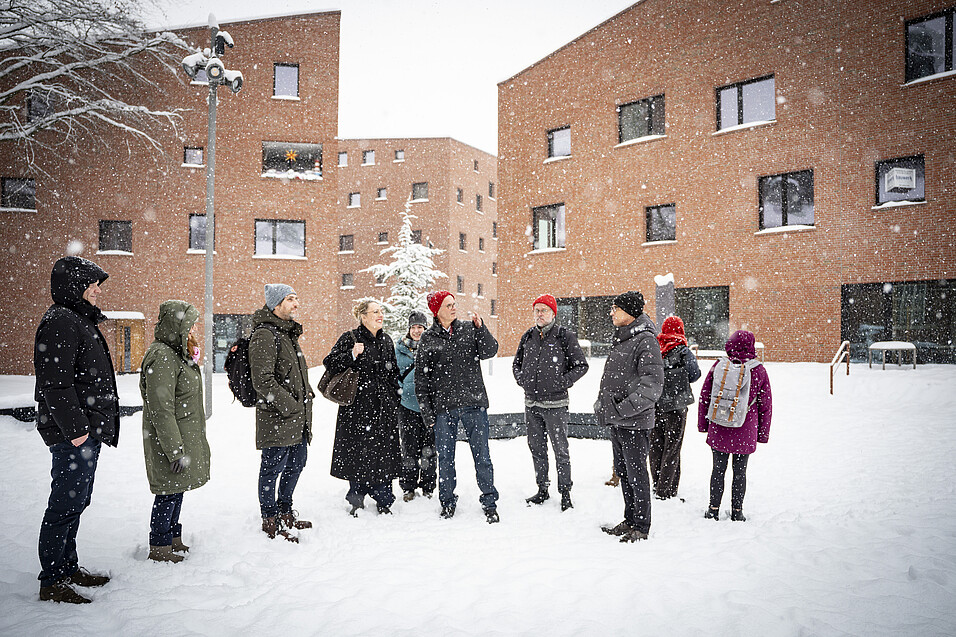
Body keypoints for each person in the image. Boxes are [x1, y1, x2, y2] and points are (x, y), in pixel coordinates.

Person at [34, 256, 118, 603]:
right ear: (75, 286)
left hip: (85, 433)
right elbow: (55, 383)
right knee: (64, 505)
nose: (97, 291)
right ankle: (52, 579)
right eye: (91, 284)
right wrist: (77, 431)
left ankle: (67, 568)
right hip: (75, 436)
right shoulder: (61, 322)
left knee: (78, 501)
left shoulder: (75, 319)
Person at [415, 291, 500, 523]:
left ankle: (490, 501)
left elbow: (490, 351)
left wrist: (481, 329)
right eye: (448, 305)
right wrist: (427, 412)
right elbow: (420, 381)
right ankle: (447, 502)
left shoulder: (468, 328)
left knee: (482, 456)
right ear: (437, 311)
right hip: (444, 409)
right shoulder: (428, 338)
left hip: (474, 404)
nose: (454, 308)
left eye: (454, 304)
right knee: (446, 459)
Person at [139, 300, 211, 563]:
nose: (192, 330)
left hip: (182, 437)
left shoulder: (176, 353)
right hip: (169, 441)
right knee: (167, 492)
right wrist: (174, 449)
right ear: (175, 325)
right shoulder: (162, 356)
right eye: (188, 325)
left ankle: (172, 538)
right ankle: (159, 546)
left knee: (176, 489)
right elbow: (161, 408)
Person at [596, 291, 663, 543]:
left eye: (615, 308)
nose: (611, 312)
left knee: (637, 475)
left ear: (630, 312)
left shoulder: (646, 341)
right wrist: (603, 405)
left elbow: (651, 386)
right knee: (624, 473)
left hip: (634, 421)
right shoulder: (624, 338)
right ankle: (630, 518)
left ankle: (642, 526)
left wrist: (621, 409)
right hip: (619, 420)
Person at [250, 284, 314, 542]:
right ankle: (270, 518)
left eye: (296, 298)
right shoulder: (265, 334)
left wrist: (305, 395)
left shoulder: (287, 333)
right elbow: (262, 381)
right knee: (271, 469)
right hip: (278, 417)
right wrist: (290, 405)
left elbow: (293, 374)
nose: (296, 303)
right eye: (290, 299)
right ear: (276, 305)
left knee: (297, 463)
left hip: (296, 417)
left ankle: (285, 511)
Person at [512, 293, 589, 511]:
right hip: (532, 404)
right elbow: (516, 364)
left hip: (556, 405)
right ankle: (542, 489)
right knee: (536, 448)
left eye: (543, 310)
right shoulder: (528, 336)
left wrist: (562, 382)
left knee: (560, 450)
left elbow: (581, 366)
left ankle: (565, 493)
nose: (539, 314)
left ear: (553, 313)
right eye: (536, 310)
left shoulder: (565, 336)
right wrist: (522, 379)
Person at [326, 300, 402, 515]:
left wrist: (394, 397)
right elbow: (329, 362)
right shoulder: (350, 338)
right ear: (363, 316)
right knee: (358, 453)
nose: (380, 315)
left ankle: (384, 499)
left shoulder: (387, 340)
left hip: (383, 409)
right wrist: (351, 355)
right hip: (356, 409)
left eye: (381, 311)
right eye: (375, 311)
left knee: (384, 455)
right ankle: (356, 499)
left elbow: (393, 372)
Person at [698, 330, 772, 522]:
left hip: (719, 426)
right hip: (745, 428)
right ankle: (737, 511)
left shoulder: (719, 366)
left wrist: (703, 424)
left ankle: (713, 509)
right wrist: (762, 434)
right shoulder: (758, 370)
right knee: (740, 472)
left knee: (717, 470)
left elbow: (705, 395)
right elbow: (765, 405)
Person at [649, 316, 701, 500]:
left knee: (656, 446)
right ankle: (666, 490)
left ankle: (657, 484)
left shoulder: (656, 347)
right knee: (672, 447)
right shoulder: (683, 350)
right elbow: (695, 374)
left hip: (656, 405)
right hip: (677, 408)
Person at [395, 311, 436, 502]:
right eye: (414, 327)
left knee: (429, 449)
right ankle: (408, 487)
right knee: (409, 448)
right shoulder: (400, 349)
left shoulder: (432, 347)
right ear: (409, 329)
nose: (417, 330)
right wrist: (400, 388)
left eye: (420, 327)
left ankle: (428, 486)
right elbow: (393, 374)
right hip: (407, 406)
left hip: (429, 407)